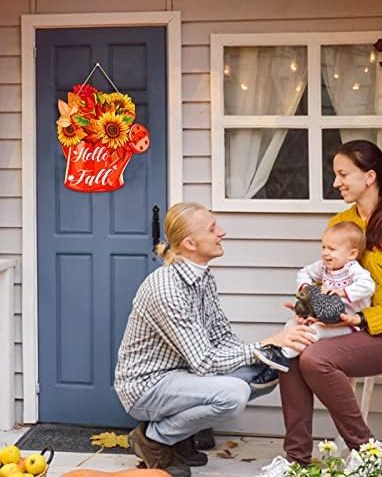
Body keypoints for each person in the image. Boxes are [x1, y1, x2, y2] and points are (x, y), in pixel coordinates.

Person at [257, 140, 382, 477]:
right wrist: (311, 307)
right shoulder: (341, 221)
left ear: (370, 176)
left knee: (316, 359)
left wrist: (359, 318)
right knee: (294, 349)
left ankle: (366, 452)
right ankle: (296, 460)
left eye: (343, 174)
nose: (336, 183)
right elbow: (327, 276)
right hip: (342, 329)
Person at [114, 202, 315, 477]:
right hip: (148, 385)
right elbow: (206, 361)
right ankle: (155, 438)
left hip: (185, 374)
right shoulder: (167, 288)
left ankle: (180, 436)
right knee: (234, 394)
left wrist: (273, 350)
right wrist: (268, 343)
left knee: (267, 370)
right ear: (190, 243)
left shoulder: (204, 277)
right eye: (212, 229)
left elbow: (222, 338)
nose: (222, 232)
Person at [254, 221, 375, 372]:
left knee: (315, 330)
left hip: (347, 324)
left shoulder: (353, 270)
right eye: (323, 247)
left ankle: (284, 356)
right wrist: (307, 288)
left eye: (332, 249)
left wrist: (343, 292)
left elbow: (368, 286)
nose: (325, 253)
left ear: (352, 254)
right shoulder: (323, 266)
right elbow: (304, 272)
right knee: (293, 323)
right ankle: (277, 350)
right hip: (324, 316)